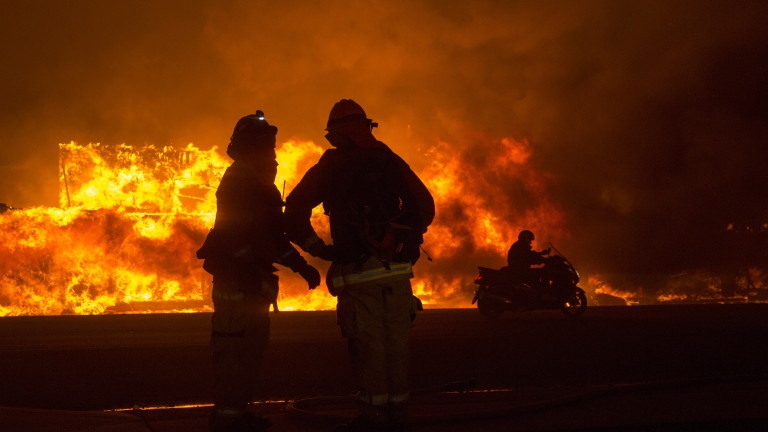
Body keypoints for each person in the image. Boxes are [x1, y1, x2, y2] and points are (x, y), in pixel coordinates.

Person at [284, 99, 435, 431]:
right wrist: (401, 236)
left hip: (357, 274)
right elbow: (425, 206)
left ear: (339, 134)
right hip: (397, 274)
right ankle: (398, 414)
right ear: (366, 126)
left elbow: (293, 212)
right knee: (396, 343)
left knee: (368, 346)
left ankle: (373, 417)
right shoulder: (389, 160)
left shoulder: (332, 165)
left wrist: (320, 250)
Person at [197, 110, 321, 432]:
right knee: (233, 354)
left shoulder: (255, 183)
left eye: (273, 146)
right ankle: (227, 421)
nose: (274, 154)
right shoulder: (242, 183)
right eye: (267, 146)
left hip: (250, 283)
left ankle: (238, 414)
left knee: (248, 353)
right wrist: (300, 264)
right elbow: (261, 237)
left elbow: (273, 235)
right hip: (237, 282)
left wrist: (301, 263)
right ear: (250, 147)